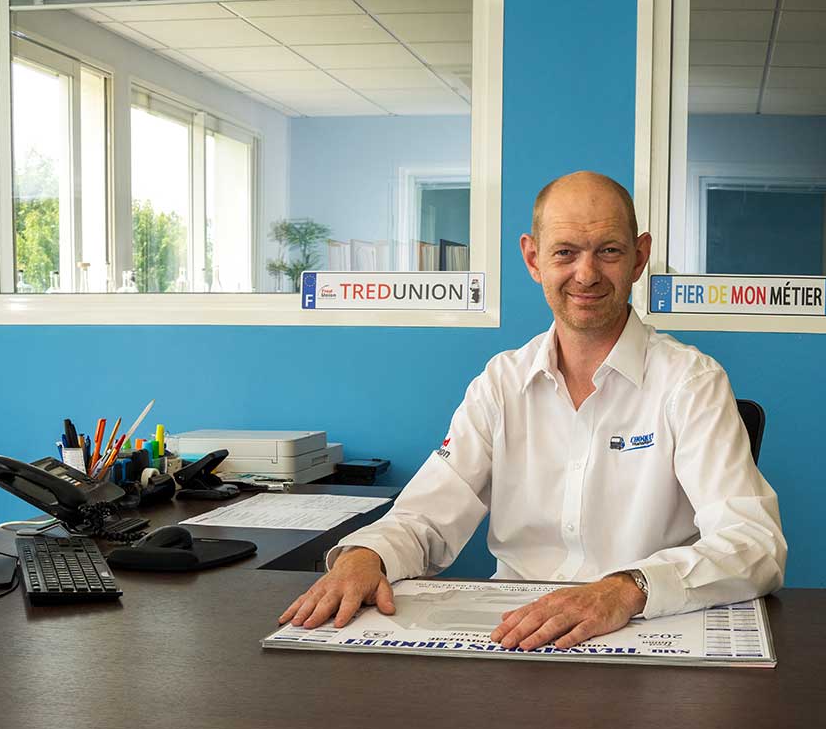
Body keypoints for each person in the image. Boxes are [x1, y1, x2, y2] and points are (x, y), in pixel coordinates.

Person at [277, 171, 786, 650]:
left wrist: (625, 589)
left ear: (639, 258)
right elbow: (425, 516)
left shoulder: (690, 381)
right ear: (533, 258)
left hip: (645, 627)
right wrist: (365, 556)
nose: (586, 273)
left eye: (608, 250)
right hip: (519, 632)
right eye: (565, 252)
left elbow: (754, 542)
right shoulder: (501, 383)